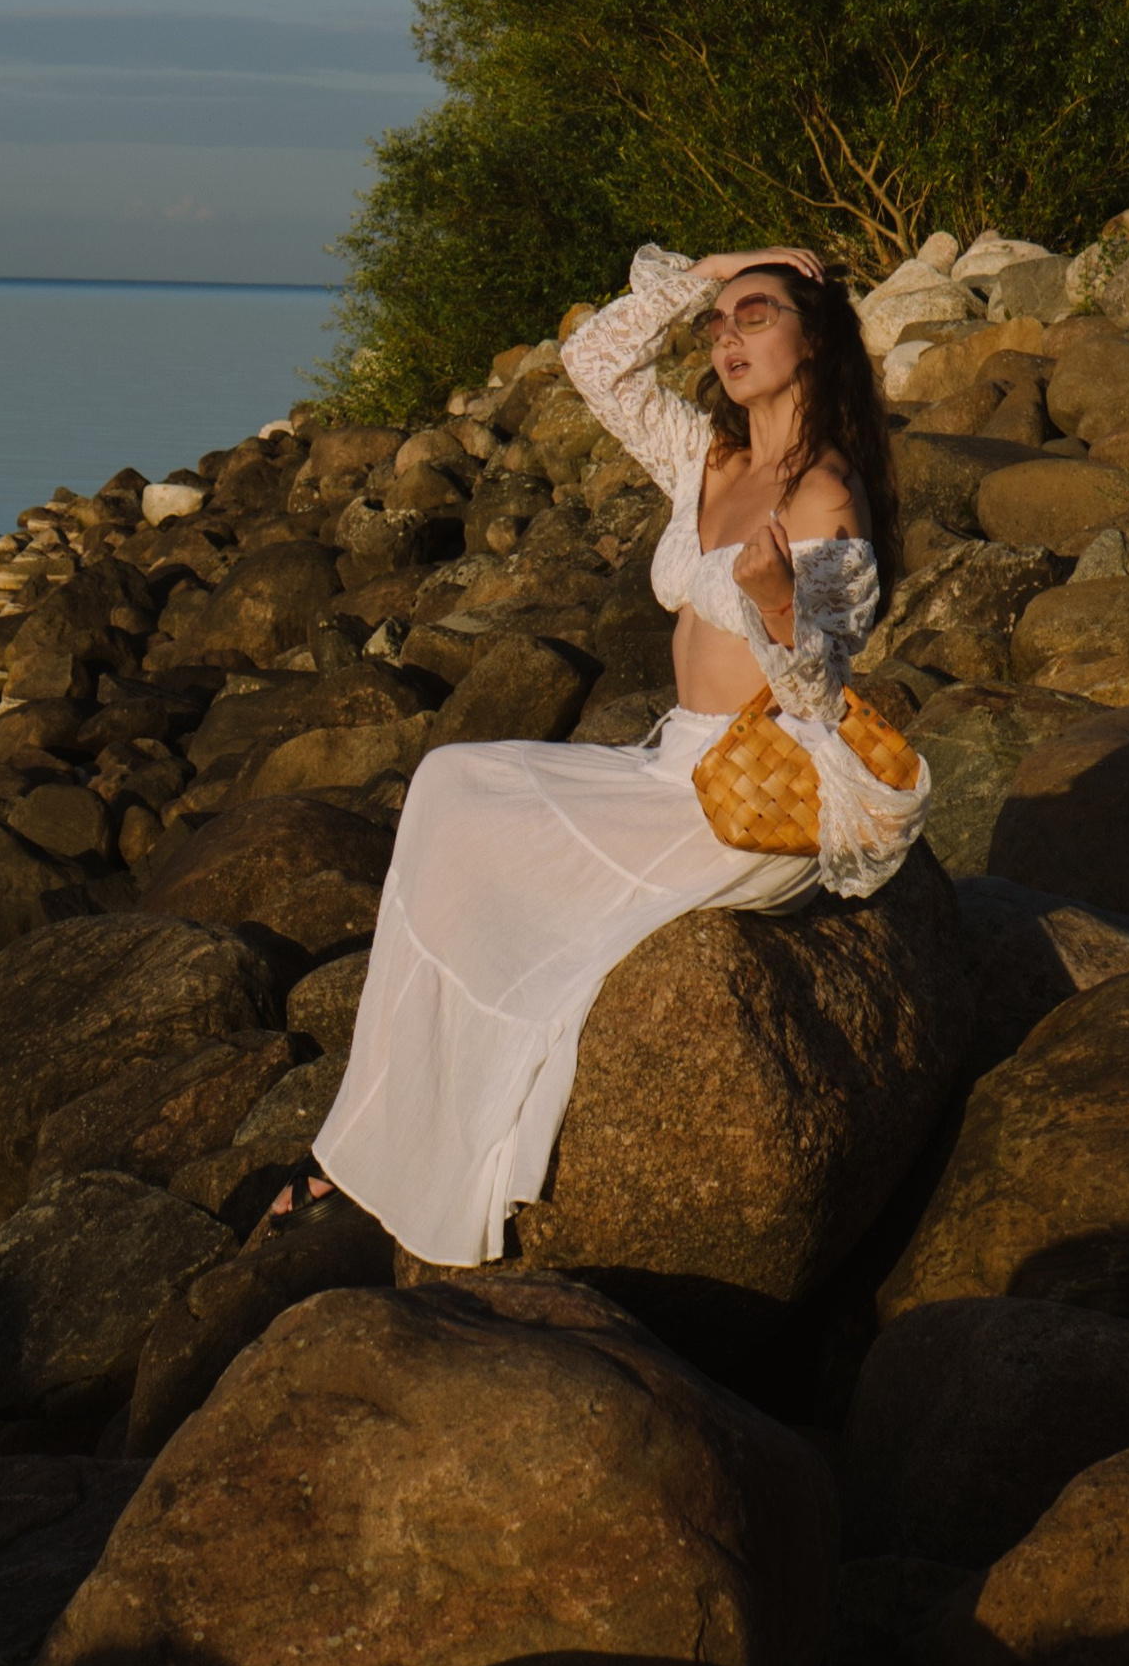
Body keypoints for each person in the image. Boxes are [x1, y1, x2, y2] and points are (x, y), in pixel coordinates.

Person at [295, 243, 929, 1268]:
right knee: (452, 784)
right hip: (668, 765)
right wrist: (723, 265)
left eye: (756, 315)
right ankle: (388, 1127)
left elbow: (817, 685)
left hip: (745, 801)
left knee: (490, 850)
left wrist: (775, 598)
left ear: (814, 340)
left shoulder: (821, 497)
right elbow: (592, 362)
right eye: (718, 324)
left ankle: (436, 1149)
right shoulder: (709, 460)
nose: (727, 337)